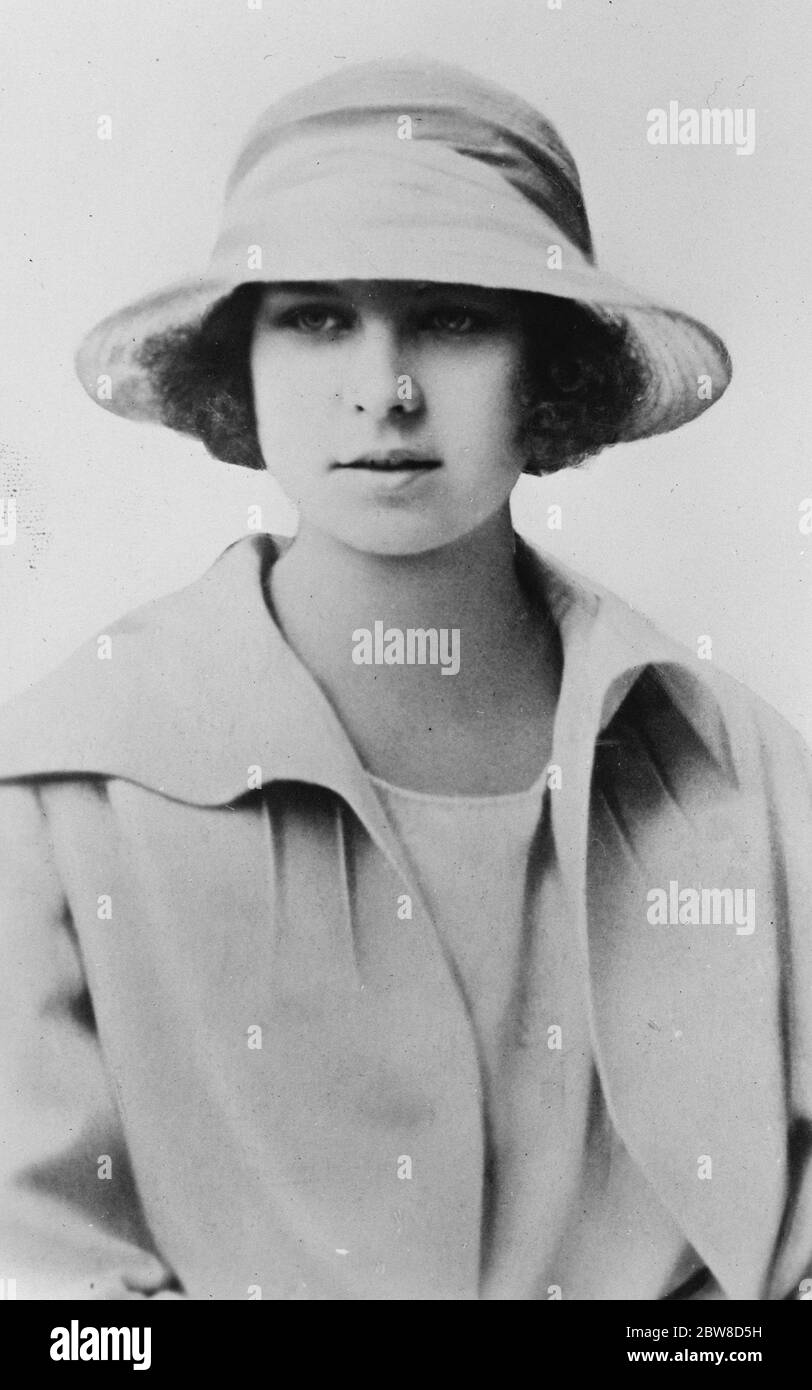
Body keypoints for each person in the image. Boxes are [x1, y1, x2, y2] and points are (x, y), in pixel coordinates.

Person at [0, 56, 810, 1302]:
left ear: (547, 365)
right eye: (317, 316)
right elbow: (46, 1300)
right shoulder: (62, 784)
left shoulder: (743, 772)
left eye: (452, 315)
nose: (384, 388)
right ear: (241, 367)